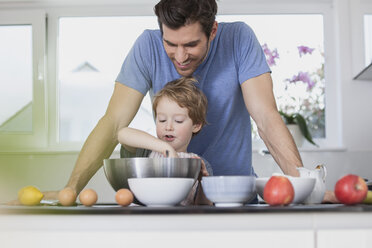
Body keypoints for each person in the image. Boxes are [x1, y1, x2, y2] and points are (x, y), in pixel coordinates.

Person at [39, 0, 336, 203]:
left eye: (191, 44)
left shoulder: (240, 39)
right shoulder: (146, 46)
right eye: (171, 44)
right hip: (170, 200)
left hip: (233, 197)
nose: (180, 57)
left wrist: (307, 186)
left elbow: (266, 118)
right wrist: (71, 188)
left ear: (213, 31)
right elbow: (114, 123)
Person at [118, 77, 212, 205]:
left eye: (178, 120)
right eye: (162, 120)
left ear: (196, 125)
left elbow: (203, 207)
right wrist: (164, 148)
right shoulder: (146, 153)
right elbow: (122, 134)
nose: (168, 127)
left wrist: (202, 182)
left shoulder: (198, 164)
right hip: (144, 220)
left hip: (180, 223)